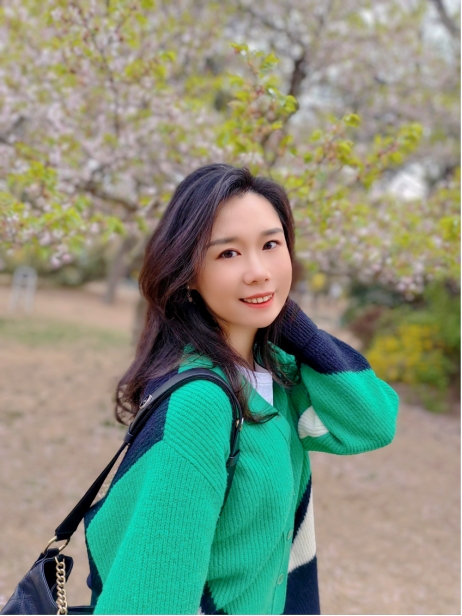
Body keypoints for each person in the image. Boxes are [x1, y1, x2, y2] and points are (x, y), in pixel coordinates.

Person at [84, 164, 399, 615]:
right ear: (189, 273)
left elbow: (373, 422)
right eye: (228, 253)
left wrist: (289, 323)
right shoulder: (201, 404)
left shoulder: (277, 374)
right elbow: (145, 601)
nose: (258, 271)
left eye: (271, 245)